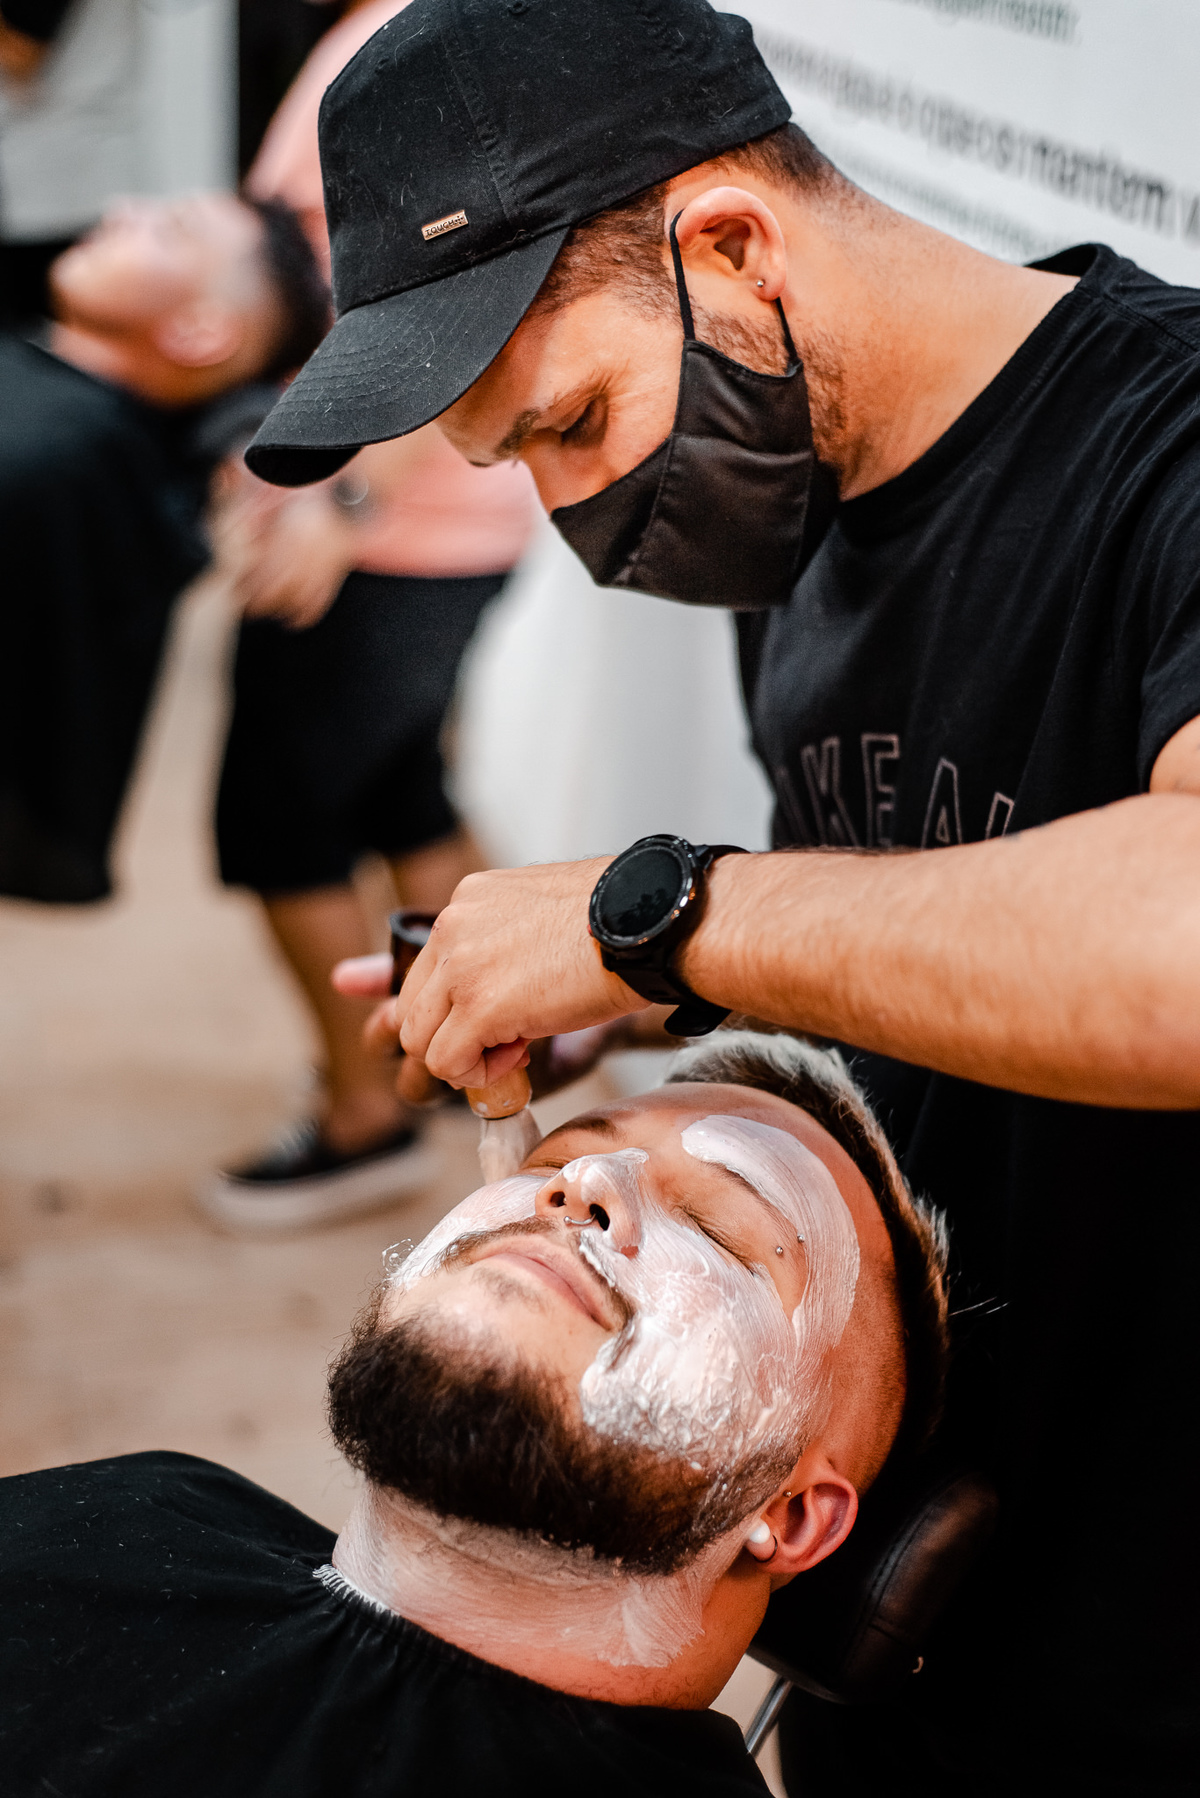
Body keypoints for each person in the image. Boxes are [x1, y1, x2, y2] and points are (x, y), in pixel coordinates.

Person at [243, 1, 1200, 1790]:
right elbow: (928, 923)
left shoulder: (1170, 449)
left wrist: (661, 916)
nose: (568, 511)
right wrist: (665, 995)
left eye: (572, 420)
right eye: (514, 465)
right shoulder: (815, 509)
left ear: (734, 245)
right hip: (908, 1586)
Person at [0, 1032, 948, 1796]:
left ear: (789, 1516)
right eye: (560, 1156)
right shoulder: (143, 1516)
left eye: (716, 1228)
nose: (581, 1188)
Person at [200, 0, 537, 1230]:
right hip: (419, 517)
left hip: (390, 528)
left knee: (276, 827)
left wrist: (338, 503)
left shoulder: (429, 38)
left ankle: (364, 1118)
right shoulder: (416, 26)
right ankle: (481, 1054)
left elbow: (440, 284)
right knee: (404, 796)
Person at [0, 189, 327, 904]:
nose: (121, 207)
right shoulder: (78, 429)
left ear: (200, 331)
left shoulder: (46, 463)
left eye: (171, 231)